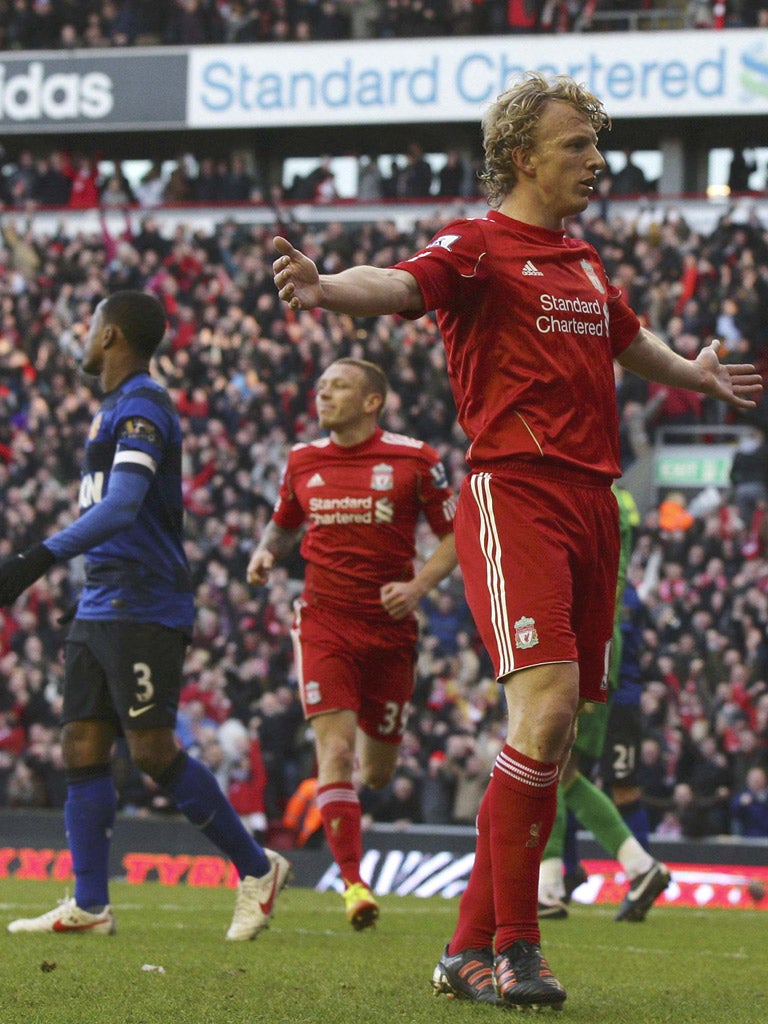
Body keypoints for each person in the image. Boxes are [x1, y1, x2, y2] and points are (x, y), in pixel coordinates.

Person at [270, 72, 762, 1009]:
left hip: (592, 503)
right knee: (544, 710)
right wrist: (330, 288)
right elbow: (403, 284)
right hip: (516, 493)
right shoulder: (478, 245)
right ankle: (517, 945)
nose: (597, 159)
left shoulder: (580, 260)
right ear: (523, 154)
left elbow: (630, 341)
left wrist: (695, 378)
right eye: (578, 144)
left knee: (553, 733)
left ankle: (462, 952)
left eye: (595, 143)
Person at [1, 290, 290, 940]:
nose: (83, 334)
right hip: (101, 599)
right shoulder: (114, 408)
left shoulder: (142, 408)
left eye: (91, 324)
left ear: (110, 336)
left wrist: (35, 559)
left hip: (144, 597)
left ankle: (257, 868)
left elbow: (124, 504)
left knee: (154, 750)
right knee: (81, 742)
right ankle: (91, 903)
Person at [247, 357, 457, 930]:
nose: (324, 395)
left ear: (372, 402)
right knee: (334, 753)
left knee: (379, 770)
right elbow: (284, 524)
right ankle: (354, 884)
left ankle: (368, 790)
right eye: (321, 387)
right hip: (324, 622)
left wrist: (417, 587)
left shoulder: (415, 460)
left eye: (338, 387)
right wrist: (266, 553)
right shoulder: (302, 461)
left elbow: (455, 536)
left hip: (391, 629)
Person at [538, 485, 670, 923]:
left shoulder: (596, 498)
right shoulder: (617, 503)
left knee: (554, 768)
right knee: (560, 771)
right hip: (597, 649)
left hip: (584, 647)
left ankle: (557, 884)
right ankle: (562, 881)